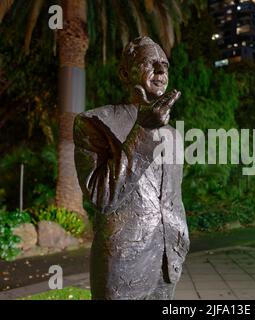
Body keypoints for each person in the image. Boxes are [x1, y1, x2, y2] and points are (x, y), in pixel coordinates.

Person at [73, 37, 189, 300]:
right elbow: (102, 197)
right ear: (125, 73)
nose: (161, 72)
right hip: (122, 264)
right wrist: (144, 131)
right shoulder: (95, 122)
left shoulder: (173, 136)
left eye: (165, 66)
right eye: (151, 64)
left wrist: (181, 237)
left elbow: (173, 199)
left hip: (168, 261)